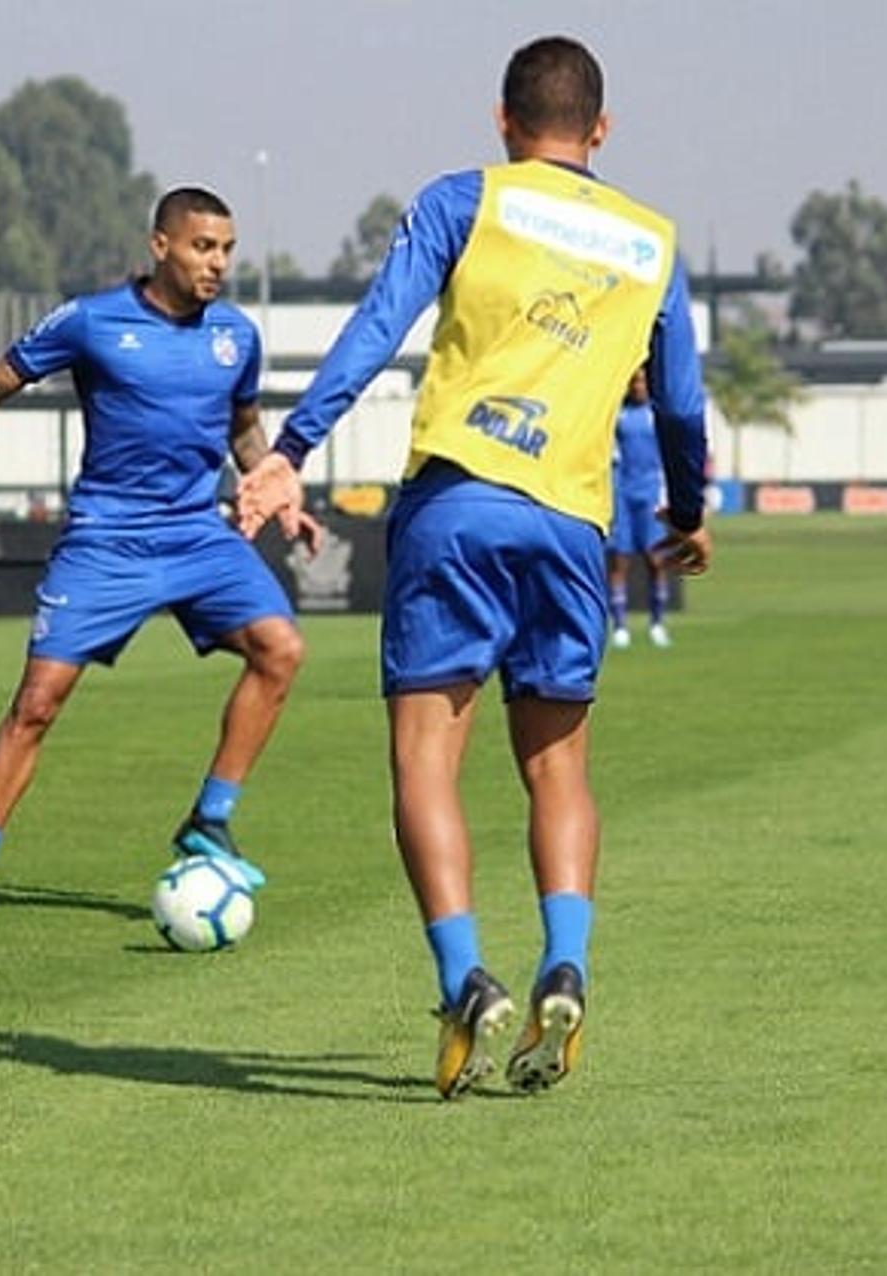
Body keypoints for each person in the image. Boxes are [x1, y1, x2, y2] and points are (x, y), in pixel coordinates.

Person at [236, 36, 711, 1100]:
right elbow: (679, 404)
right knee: (559, 769)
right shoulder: (652, 241)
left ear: (502, 121)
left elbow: (373, 334)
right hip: (572, 528)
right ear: (601, 130)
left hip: (457, 506)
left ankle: (464, 981)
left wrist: (289, 451)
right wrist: (685, 508)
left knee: (425, 762)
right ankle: (568, 960)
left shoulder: (467, 201)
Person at [0, 186, 318, 928]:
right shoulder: (92, 321)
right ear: (160, 246)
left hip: (197, 534)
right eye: (202, 247)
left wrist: (277, 488)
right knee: (35, 708)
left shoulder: (235, 335)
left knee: (281, 650)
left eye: (226, 249)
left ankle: (209, 821)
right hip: (105, 542)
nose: (217, 264)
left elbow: (245, 429)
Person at [607, 366, 673, 649]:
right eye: (634, 381)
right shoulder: (617, 415)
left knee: (655, 560)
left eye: (642, 381)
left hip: (650, 494)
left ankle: (657, 623)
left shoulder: (658, 415)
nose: (638, 387)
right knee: (619, 560)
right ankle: (620, 626)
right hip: (622, 493)